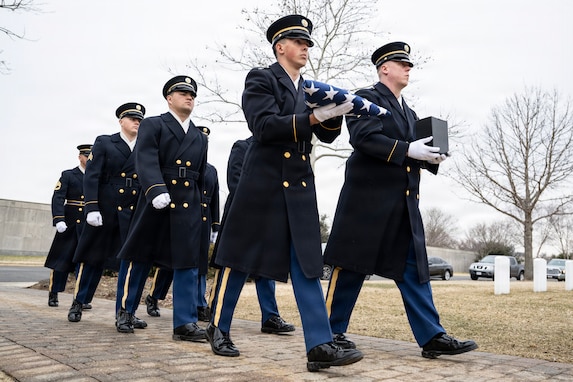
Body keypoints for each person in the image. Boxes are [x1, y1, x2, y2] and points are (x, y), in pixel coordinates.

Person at [206, 14, 362, 372]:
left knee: (307, 265)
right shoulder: (262, 78)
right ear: (281, 47)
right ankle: (218, 326)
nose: (306, 48)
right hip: (263, 183)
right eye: (300, 42)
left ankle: (319, 346)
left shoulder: (309, 88)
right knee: (238, 258)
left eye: (308, 43)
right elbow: (263, 126)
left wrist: (334, 113)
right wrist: (312, 118)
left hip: (299, 184)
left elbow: (327, 136)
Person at [322, 41, 478, 359]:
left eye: (409, 64)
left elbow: (411, 156)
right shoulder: (365, 97)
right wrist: (409, 149)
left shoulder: (410, 112)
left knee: (414, 269)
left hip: (402, 205)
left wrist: (432, 156)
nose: (408, 68)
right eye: (402, 63)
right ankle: (328, 334)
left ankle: (432, 336)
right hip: (367, 204)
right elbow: (364, 138)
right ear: (384, 68)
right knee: (350, 267)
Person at [116, 75, 209, 340]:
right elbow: (144, 158)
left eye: (191, 94)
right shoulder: (154, 125)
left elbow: (200, 175)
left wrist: (200, 209)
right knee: (141, 256)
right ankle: (125, 311)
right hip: (156, 200)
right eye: (182, 93)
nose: (189, 97)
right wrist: (155, 188)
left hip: (187, 204)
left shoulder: (199, 136)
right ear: (169, 98)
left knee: (186, 263)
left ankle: (184, 323)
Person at [67, 102, 147, 330]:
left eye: (139, 119)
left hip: (131, 211)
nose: (136, 122)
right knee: (92, 258)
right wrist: (91, 207)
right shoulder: (105, 142)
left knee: (132, 262)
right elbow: (91, 176)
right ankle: (78, 301)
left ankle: (126, 311)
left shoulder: (145, 145)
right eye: (132, 118)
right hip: (105, 208)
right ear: (121, 121)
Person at [208, 136, 295, 334]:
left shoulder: (278, 150)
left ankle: (270, 317)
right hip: (243, 215)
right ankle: (215, 311)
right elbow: (235, 181)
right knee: (231, 266)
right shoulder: (242, 146)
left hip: (269, 219)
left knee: (265, 269)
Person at [144, 161, 220, 322]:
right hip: (184, 213)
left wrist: (215, 225)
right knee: (170, 262)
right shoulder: (187, 165)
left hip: (203, 218)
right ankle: (154, 295)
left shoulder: (212, 170)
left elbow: (215, 198)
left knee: (200, 264)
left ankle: (199, 304)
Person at [44, 144, 91, 307]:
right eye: (86, 156)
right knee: (61, 260)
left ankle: (80, 298)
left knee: (84, 262)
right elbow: (58, 197)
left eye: (91, 156)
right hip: (69, 223)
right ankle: (53, 293)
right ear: (80, 157)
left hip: (87, 224)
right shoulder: (69, 175)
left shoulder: (96, 176)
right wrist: (59, 219)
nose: (89, 159)